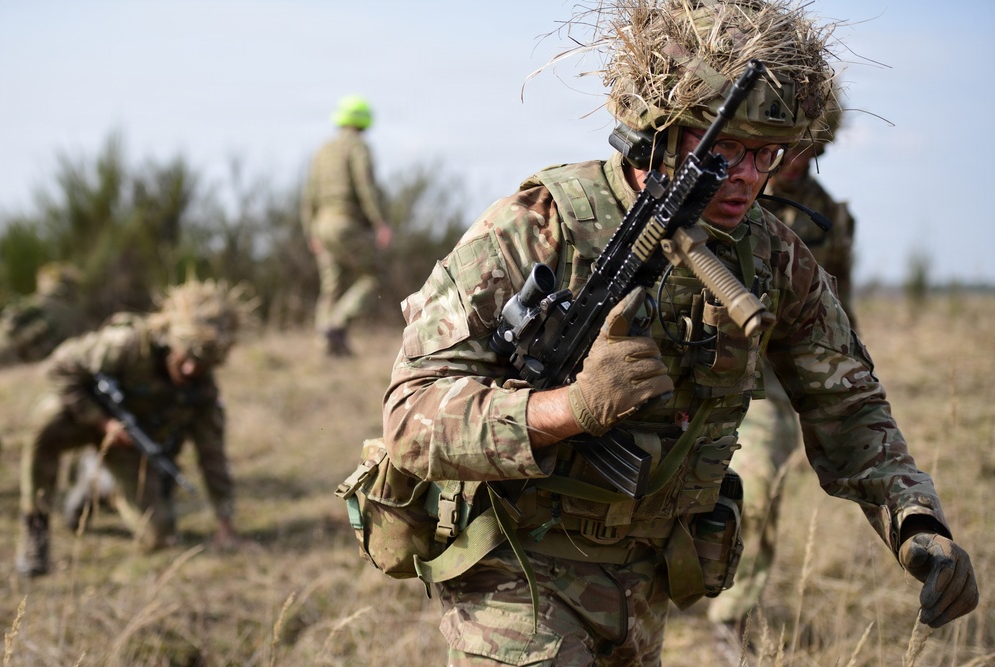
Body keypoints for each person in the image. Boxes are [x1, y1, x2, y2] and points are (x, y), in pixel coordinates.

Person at [378, 0, 978, 663]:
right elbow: (410, 420)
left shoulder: (769, 254)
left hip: (644, 584)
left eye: (766, 153)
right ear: (658, 132)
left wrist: (913, 517)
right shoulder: (538, 226)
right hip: (515, 570)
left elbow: (848, 401)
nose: (750, 175)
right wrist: (566, 409)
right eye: (725, 148)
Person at [706, 95, 859, 638]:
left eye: (801, 150)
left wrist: (835, 383)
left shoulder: (830, 219)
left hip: (766, 378)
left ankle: (732, 615)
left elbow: (836, 313)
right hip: (695, 360)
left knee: (762, 484)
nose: (789, 161)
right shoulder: (716, 189)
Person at [16, 279, 254, 577]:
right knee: (48, 417)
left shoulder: (202, 393)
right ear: (172, 341)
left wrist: (225, 525)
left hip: (127, 444)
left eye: (202, 365)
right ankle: (35, 529)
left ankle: (98, 483)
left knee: (161, 536)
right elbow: (57, 368)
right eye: (187, 358)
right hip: (84, 419)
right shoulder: (125, 345)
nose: (192, 370)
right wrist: (102, 421)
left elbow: (213, 456)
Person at [301, 94, 393, 357]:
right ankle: (337, 323)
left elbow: (308, 195)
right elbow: (366, 187)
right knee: (374, 274)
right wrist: (380, 222)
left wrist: (311, 231)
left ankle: (326, 344)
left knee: (331, 286)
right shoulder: (358, 147)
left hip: (321, 226)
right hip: (346, 224)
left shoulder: (322, 150)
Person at [0, 262, 89, 368]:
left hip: (19, 356)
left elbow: (11, 320)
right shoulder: (77, 311)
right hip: (52, 359)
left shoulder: (42, 302)